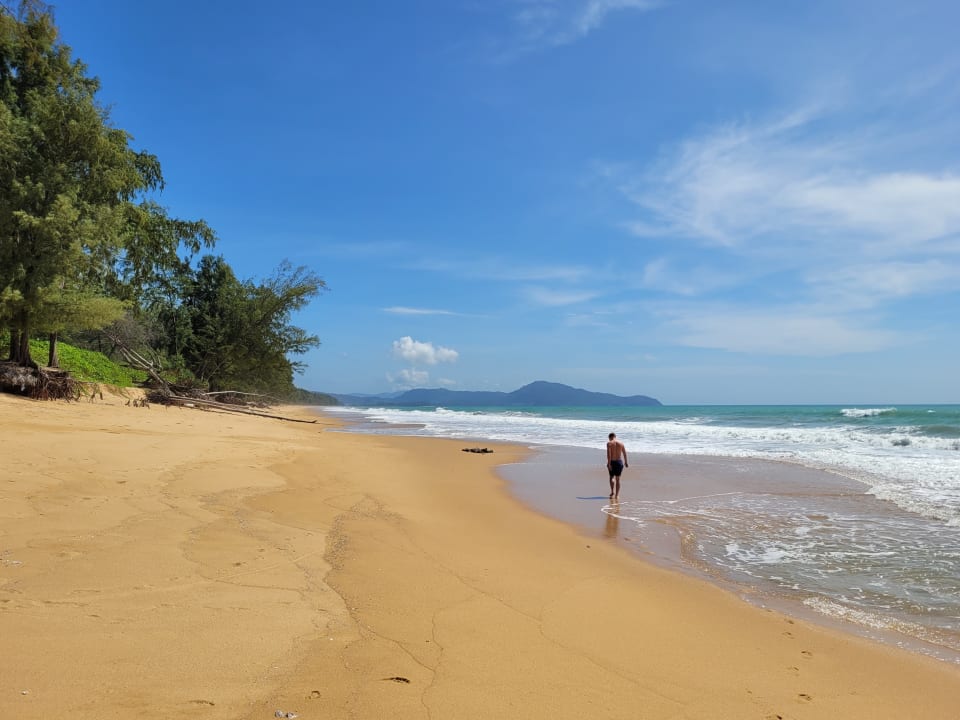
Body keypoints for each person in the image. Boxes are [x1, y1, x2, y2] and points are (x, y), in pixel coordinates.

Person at [605, 432, 628, 499]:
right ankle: (617, 495)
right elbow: (624, 454)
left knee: (611, 477)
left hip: (612, 462)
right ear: (615, 436)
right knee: (618, 479)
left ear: (610, 437)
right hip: (619, 462)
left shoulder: (609, 443)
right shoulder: (621, 443)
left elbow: (609, 455)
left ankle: (612, 492)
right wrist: (626, 462)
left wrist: (609, 464)